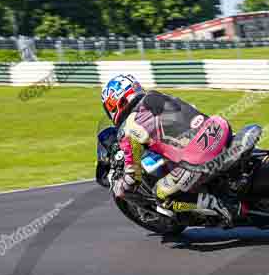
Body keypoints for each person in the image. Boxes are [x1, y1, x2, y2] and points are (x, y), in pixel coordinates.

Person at [101, 74, 239, 227]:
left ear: (114, 105)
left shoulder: (128, 128)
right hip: (218, 127)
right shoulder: (158, 96)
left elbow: (134, 175)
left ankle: (216, 205)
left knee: (162, 195)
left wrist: (119, 187)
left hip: (199, 158)